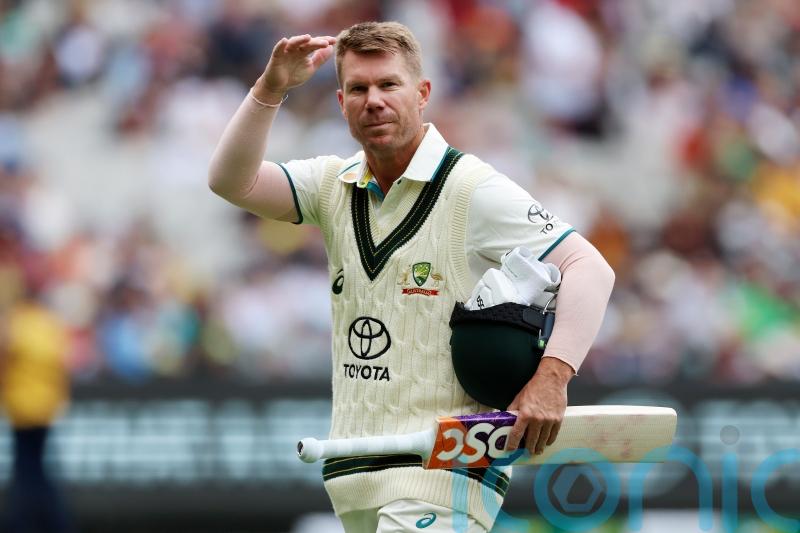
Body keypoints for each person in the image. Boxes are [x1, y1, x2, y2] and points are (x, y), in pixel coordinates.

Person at [209, 21, 614, 533]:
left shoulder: (472, 189)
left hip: (443, 472)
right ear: (340, 102)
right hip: (355, 472)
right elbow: (230, 180)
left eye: (388, 85)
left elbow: (589, 268)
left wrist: (552, 379)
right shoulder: (332, 185)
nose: (373, 100)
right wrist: (270, 90)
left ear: (422, 94)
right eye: (358, 89)